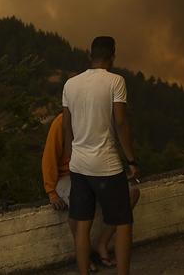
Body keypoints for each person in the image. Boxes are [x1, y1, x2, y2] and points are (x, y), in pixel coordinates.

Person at [63, 36, 139, 275]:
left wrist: (69, 159)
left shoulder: (70, 84)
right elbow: (120, 122)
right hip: (106, 165)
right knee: (123, 223)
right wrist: (131, 160)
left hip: (78, 164)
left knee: (82, 225)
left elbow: (67, 127)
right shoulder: (116, 81)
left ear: (90, 55)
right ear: (112, 56)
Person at [42, 112, 141, 271]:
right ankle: (84, 257)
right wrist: (51, 192)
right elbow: (49, 157)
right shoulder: (61, 123)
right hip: (67, 175)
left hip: (95, 170)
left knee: (131, 193)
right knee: (77, 205)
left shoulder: (95, 116)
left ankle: (103, 243)